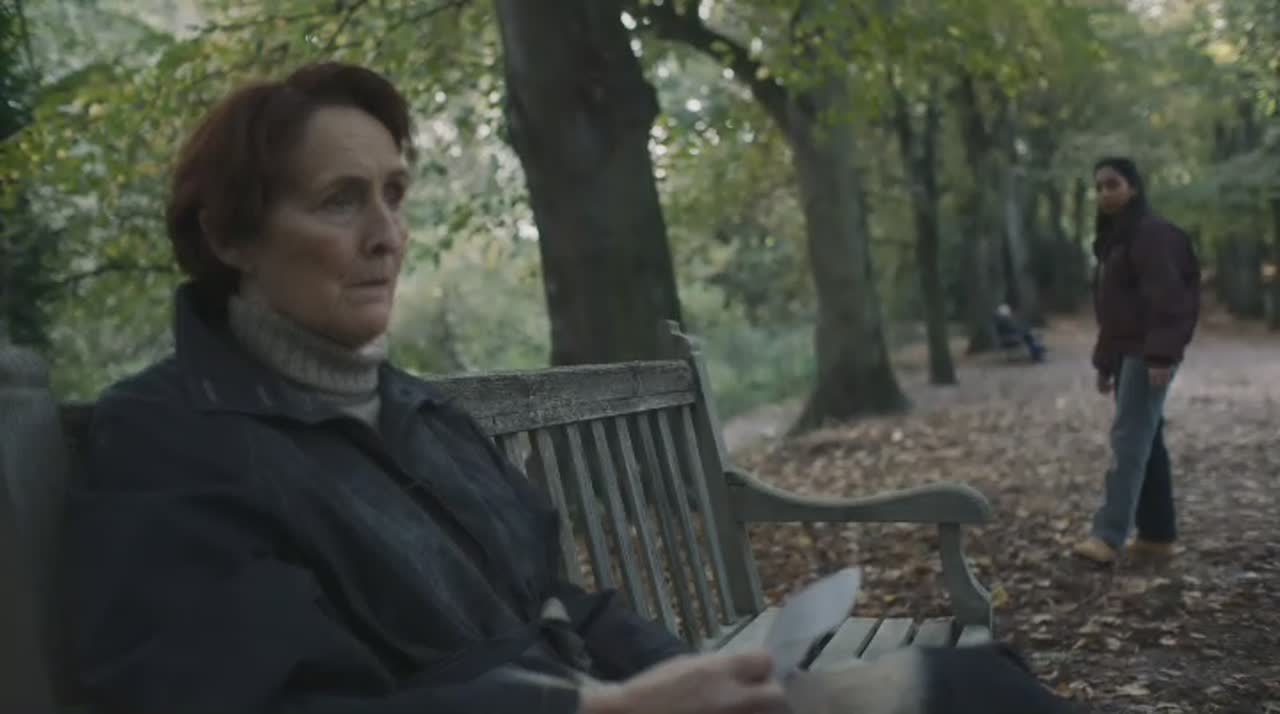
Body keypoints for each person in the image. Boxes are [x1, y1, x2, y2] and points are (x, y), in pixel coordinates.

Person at [60, 62, 1074, 714]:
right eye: (339, 201)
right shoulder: (170, 442)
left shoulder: (420, 416)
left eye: (395, 194)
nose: (387, 235)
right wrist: (594, 709)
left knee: (979, 686)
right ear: (230, 237)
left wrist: (716, 677)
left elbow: (567, 606)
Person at [1072, 157, 1200, 565]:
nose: (1104, 193)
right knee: (1148, 439)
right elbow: (1116, 313)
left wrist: (1161, 355)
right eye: (1099, 187)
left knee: (1129, 440)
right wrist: (1105, 363)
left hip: (1148, 354)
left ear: (1134, 187)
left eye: (1113, 184)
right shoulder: (1118, 239)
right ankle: (1157, 536)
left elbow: (1170, 300)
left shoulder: (1153, 235)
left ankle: (1107, 537)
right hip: (1128, 352)